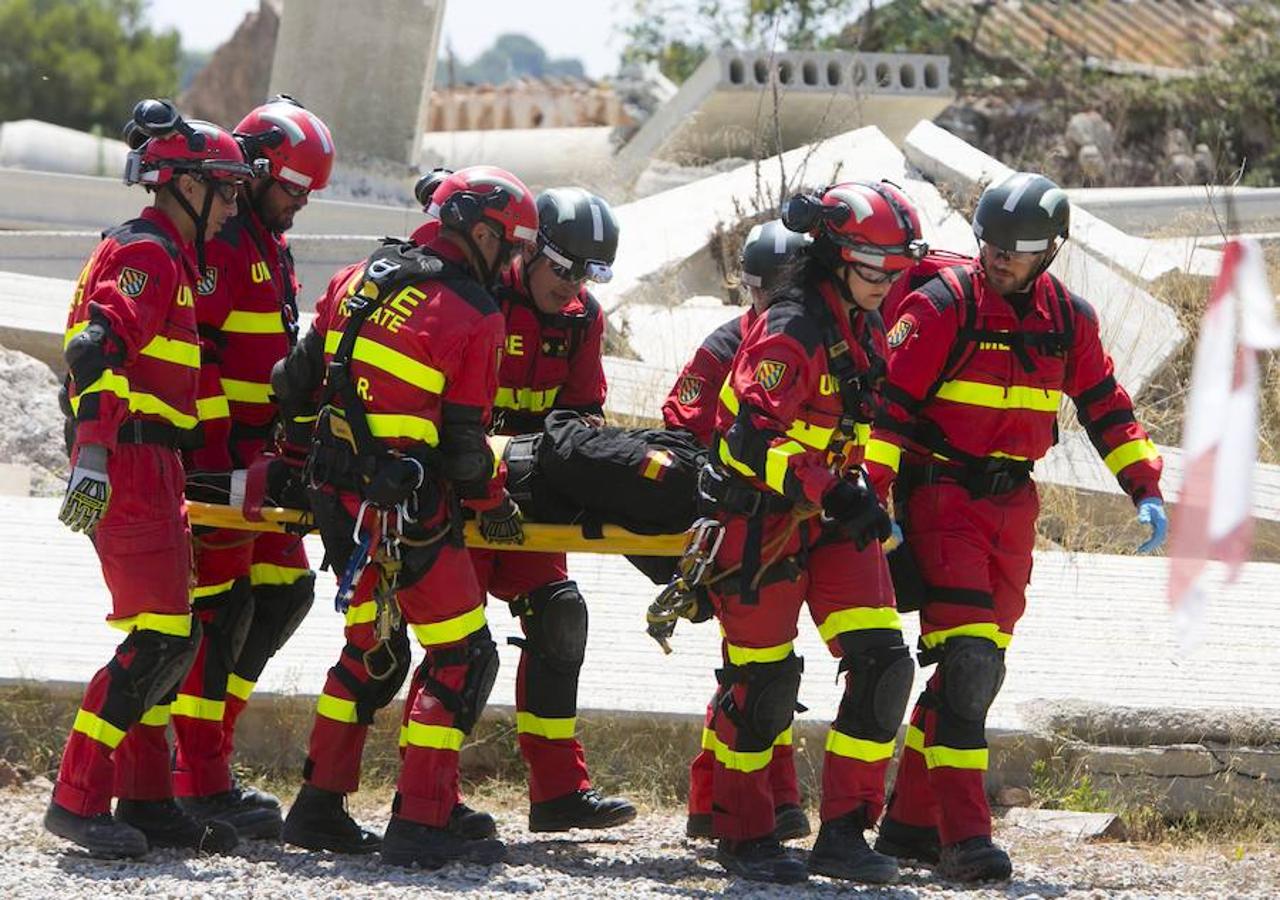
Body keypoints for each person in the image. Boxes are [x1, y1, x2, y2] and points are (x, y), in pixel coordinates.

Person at [864, 171, 1167, 882]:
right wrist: (875, 498)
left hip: (1012, 509)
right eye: (991, 244)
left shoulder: (1069, 320)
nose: (999, 258)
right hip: (942, 498)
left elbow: (1106, 407)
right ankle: (966, 838)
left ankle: (907, 828)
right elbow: (888, 410)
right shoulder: (942, 306)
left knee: (976, 671)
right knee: (967, 665)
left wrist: (1144, 488)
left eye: (1017, 250)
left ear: (1051, 251)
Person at [271, 165, 539, 869]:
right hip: (407, 512)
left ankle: (317, 809)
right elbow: (462, 447)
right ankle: (422, 824)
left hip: (340, 504)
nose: (510, 265)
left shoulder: (358, 276)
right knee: (461, 655)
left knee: (372, 652)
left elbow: (291, 383)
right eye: (508, 249)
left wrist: (300, 459)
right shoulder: (476, 314)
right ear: (480, 231)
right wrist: (495, 503)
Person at [698, 181, 927, 884]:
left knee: (885, 664)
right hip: (760, 519)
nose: (887, 283)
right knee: (762, 684)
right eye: (871, 269)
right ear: (832, 256)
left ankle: (845, 834)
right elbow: (742, 444)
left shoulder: (861, 318)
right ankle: (744, 834)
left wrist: (853, 490)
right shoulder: (792, 326)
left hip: (830, 518)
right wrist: (830, 488)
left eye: (895, 271)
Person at [47, 99, 257, 858]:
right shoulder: (151, 255)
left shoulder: (164, 254)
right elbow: (96, 347)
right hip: (130, 458)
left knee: (171, 633)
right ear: (184, 185)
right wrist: (97, 457)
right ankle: (77, 798)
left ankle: (145, 798)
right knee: (164, 636)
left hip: (151, 460)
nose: (235, 205)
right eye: (226, 190)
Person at [171, 95, 335, 839]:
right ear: (258, 169)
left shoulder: (267, 244)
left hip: (259, 464)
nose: (300, 204)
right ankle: (193, 780)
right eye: (293, 188)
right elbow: (196, 358)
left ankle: (210, 754)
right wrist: (216, 469)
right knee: (223, 611)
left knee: (285, 594)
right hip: (220, 467)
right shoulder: (223, 243)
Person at [462, 186, 637, 832]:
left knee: (561, 616)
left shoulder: (581, 318)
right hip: (462, 497)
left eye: (586, 277)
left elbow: (583, 415)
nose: (572, 289)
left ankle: (559, 792)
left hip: (528, 500)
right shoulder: (477, 298)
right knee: (460, 644)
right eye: (563, 271)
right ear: (529, 249)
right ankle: (427, 800)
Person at [661, 219, 813, 842]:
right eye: (759, 291)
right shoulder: (728, 345)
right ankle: (736, 807)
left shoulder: (829, 341)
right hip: (743, 525)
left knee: (761, 669)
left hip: (803, 524)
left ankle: (736, 801)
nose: (767, 305)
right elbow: (681, 425)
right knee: (756, 673)